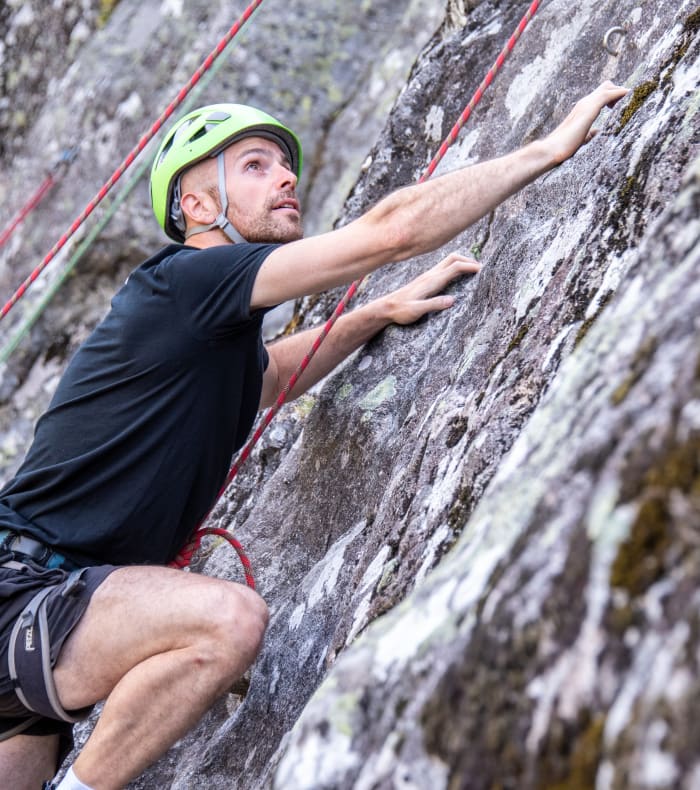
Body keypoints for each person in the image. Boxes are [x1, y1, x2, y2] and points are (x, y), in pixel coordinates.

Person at [0, 80, 628, 789]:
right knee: (226, 623)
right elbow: (391, 230)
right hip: (26, 595)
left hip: (45, 626)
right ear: (197, 205)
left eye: (285, 163)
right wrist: (545, 151)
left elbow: (267, 379)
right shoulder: (187, 280)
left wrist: (370, 316)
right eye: (255, 165)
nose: (287, 175)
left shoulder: (201, 332)